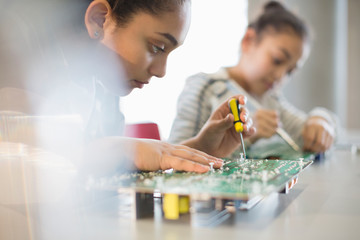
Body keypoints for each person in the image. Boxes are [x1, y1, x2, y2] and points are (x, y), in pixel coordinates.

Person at [0, 0, 255, 176]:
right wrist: (122, 149)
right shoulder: (18, 49)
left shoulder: (103, 86)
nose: (161, 72)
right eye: (156, 47)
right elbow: (27, 152)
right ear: (99, 20)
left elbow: (103, 164)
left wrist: (201, 149)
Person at [168, 1, 339, 156]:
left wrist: (321, 120)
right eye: (277, 60)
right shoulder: (205, 88)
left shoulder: (271, 100)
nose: (280, 76)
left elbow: (308, 130)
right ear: (249, 40)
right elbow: (172, 158)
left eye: (290, 71)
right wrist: (246, 137)